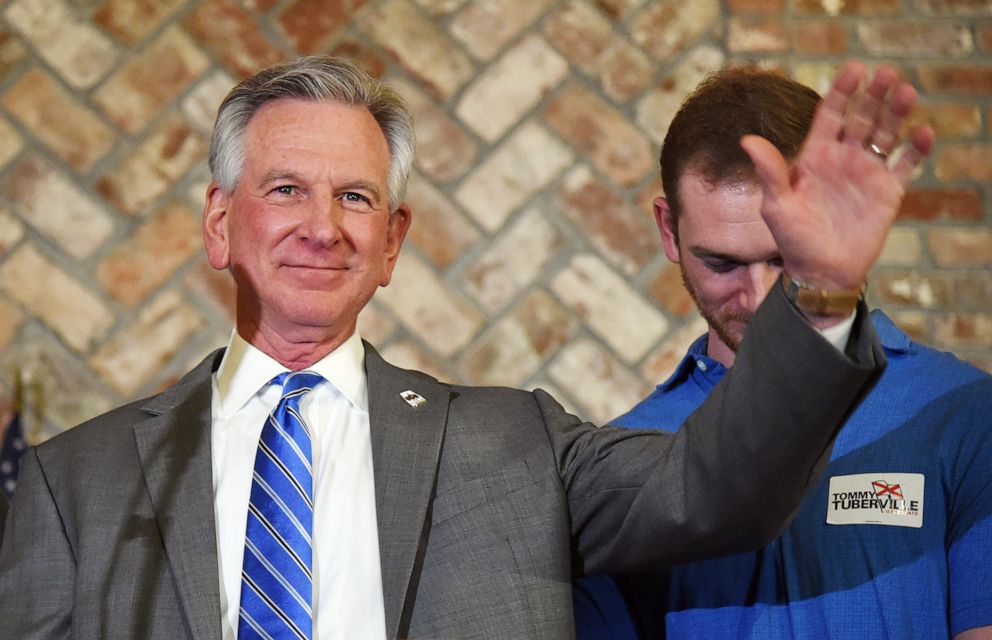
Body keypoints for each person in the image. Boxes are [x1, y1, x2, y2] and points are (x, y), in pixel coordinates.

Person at [0, 55, 929, 639]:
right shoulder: (72, 484)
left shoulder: (515, 445)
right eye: (285, 190)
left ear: (394, 242)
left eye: (355, 198)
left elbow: (716, 490)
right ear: (219, 224)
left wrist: (819, 294)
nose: (321, 227)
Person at [574, 66, 992, 640]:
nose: (759, 296)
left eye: (784, 258)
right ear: (669, 231)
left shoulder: (958, 410)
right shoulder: (628, 463)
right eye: (723, 263)